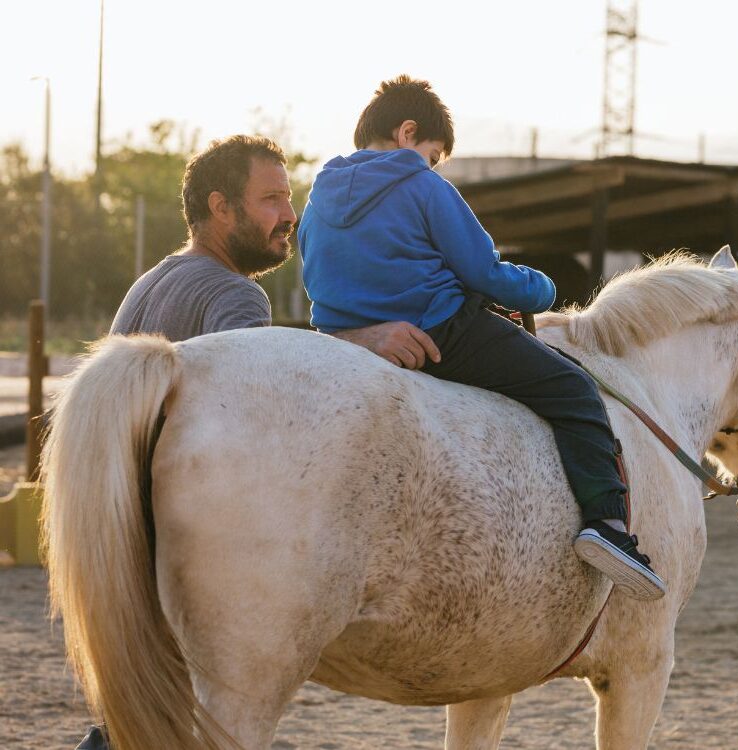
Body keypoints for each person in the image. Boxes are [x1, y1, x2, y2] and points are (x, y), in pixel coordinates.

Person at [75, 133, 441, 750]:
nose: (290, 216)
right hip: (188, 543)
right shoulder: (234, 293)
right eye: (271, 199)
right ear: (221, 208)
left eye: (290, 198)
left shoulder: (153, 281)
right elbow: (258, 386)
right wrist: (364, 342)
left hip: (136, 535)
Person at [299, 75, 666, 602]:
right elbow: (484, 272)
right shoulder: (423, 186)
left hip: (348, 342)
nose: (431, 166)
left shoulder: (315, 202)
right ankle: (607, 526)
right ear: (408, 133)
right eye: (431, 154)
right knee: (574, 389)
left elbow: (318, 284)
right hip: (443, 332)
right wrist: (542, 287)